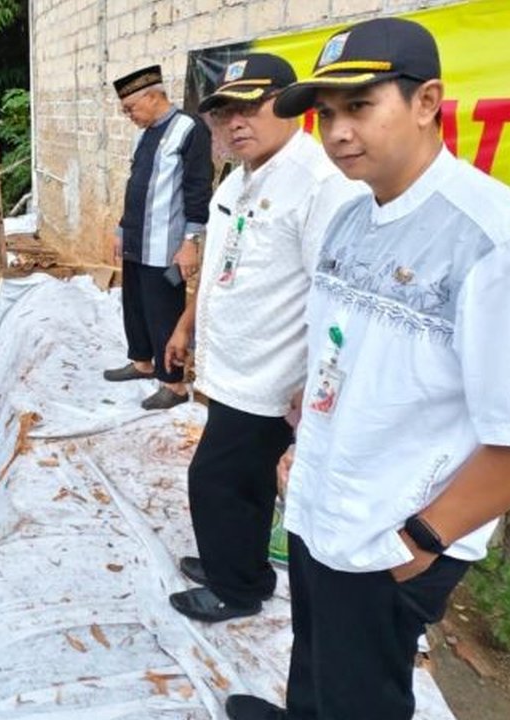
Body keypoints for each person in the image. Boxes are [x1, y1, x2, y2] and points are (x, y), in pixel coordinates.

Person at [225, 17, 510, 720]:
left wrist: (425, 538)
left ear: (428, 102)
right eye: (327, 114)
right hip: (325, 501)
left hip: (392, 532)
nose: (339, 131)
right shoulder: (352, 218)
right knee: (314, 649)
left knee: (362, 694)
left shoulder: (501, 242)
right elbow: (341, 352)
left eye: (360, 106)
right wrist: (301, 441)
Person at [161, 54, 365, 624]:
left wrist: (314, 380)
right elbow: (226, 264)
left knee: (215, 481)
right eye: (225, 112)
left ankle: (237, 589)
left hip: (275, 377)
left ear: (289, 104)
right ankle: (240, 563)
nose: (236, 123)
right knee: (243, 482)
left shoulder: (320, 184)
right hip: (232, 367)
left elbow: (336, 299)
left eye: (252, 106)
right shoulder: (243, 175)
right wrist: (186, 325)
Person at [103, 64, 213, 410]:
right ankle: (142, 362)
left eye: (130, 108)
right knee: (133, 304)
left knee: (164, 311)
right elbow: (136, 186)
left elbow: (198, 189)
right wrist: (122, 229)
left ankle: (174, 385)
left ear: (152, 96)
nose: (129, 116)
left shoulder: (189, 129)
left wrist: (190, 242)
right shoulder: (144, 133)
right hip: (136, 238)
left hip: (166, 244)